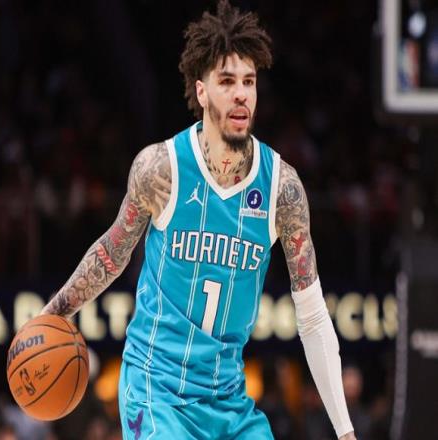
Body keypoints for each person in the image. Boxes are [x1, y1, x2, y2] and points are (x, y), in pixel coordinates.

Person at [41, 1, 356, 438]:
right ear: (202, 91)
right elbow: (112, 253)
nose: (241, 93)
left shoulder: (282, 190)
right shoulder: (161, 169)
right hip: (156, 389)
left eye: (249, 81)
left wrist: (345, 431)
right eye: (227, 81)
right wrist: (53, 313)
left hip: (227, 399)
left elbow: (314, 317)